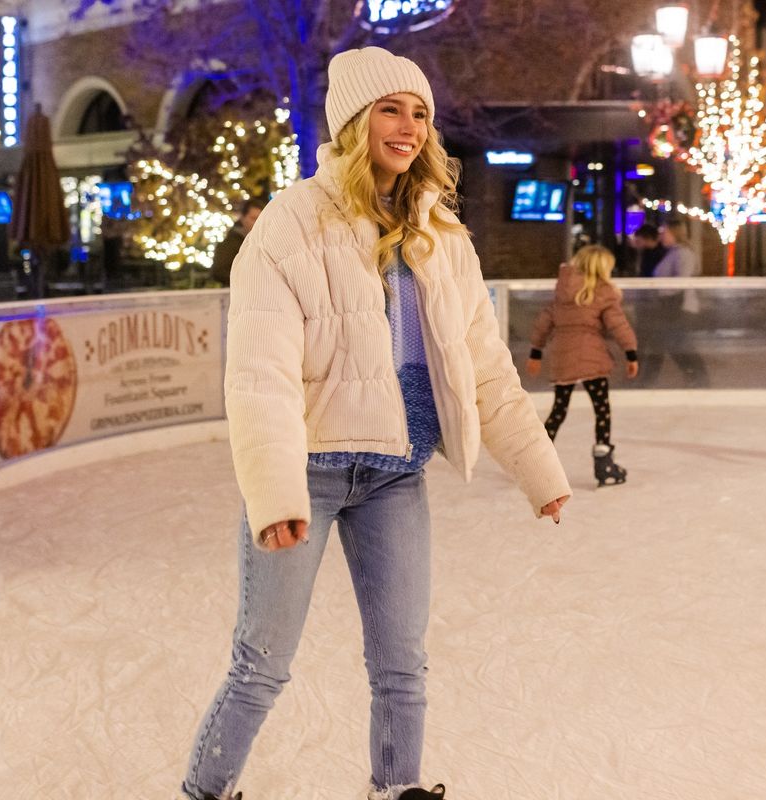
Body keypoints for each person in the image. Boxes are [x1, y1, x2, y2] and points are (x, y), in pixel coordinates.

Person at [181, 47, 571, 800]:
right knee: (262, 664)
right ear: (355, 122)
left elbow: (484, 364)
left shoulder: (442, 236)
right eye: (391, 109)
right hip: (311, 474)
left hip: (399, 475)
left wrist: (539, 471)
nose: (409, 127)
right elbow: (258, 375)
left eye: (420, 112)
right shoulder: (292, 224)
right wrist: (276, 497)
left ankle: (397, 789)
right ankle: (204, 793)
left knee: (403, 662)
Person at [527, 245, 638, 486]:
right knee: (601, 410)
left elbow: (544, 322)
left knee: (559, 409)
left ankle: (537, 462)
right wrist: (631, 353)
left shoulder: (562, 292)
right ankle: (603, 461)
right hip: (591, 357)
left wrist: (535, 352)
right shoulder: (603, 292)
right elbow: (618, 325)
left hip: (562, 356)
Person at [638, 218, 709, 387]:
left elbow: (681, 282)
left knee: (673, 345)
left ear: (674, 233)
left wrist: (658, 291)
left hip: (680, 308)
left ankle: (698, 379)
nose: (661, 236)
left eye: (665, 232)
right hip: (670, 308)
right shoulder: (673, 253)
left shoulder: (683, 253)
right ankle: (696, 379)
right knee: (666, 344)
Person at [209, 197, 266, 286]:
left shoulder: (264, 240)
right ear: (243, 218)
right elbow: (218, 272)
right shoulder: (229, 243)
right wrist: (248, 279)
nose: (257, 223)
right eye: (253, 218)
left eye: (260, 219)